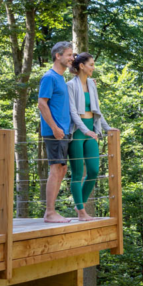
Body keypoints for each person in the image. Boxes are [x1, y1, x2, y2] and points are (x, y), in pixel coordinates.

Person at [67, 52, 113, 221]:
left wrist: (107, 128)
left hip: (91, 130)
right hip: (78, 132)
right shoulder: (70, 85)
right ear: (82, 66)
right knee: (77, 173)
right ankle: (81, 212)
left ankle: (81, 203)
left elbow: (96, 110)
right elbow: (72, 112)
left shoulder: (92, 85)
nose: (94, 67)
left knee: (93, 170)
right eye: (91, 64)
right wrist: (84, 130)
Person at [38, 41, 74, 223]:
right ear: (57, 56)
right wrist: (54, 127)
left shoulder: (61, 78)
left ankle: (52, 211)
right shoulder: (49, 77)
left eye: (72, 55)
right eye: (69, 55)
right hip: (54, 131)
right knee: (55, 169)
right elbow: (42, 103)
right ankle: (50, 212)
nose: (72, 58)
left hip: (64, 131)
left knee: (62, 169)